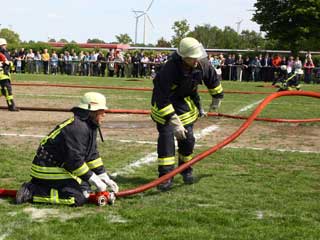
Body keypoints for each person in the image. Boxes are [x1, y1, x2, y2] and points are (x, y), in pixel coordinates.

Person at [16, 92, 119, 206]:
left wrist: (103, 176)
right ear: (92, 111)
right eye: (102, 111)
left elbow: (92, 154)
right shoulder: (78, 128)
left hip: (60, 166)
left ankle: (42, 186)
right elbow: (75, 161)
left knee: (86, 188)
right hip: (47, 168)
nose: (104, 114)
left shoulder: (89, 126)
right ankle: (32, 191)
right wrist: (95, 180)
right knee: (78, 197)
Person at [151, 37, 224, 191]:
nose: (196, 61)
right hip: (165, 104)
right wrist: (174, 122)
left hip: (185, 102)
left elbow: (213, 81)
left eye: (198, 56)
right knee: (166, 140)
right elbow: (161, 97)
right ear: (184, 57)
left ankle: (186, 169)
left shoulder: (202, 63)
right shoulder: (169, 69)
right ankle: (165, 177)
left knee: (188, 139)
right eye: (192, 58)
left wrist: (216, 100)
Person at [0, 38, 19, 111]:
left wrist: (9, 63)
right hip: (2, 75)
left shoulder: (5, 53)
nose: (5, 46)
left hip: (5, 74)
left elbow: (10, 63)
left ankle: (11, 106)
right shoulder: (3, 53)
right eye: (4, 45)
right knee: (8, 90)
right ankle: (11, 106)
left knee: (4, 91)